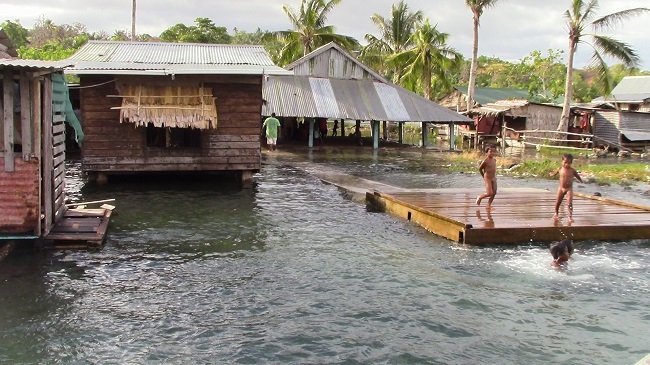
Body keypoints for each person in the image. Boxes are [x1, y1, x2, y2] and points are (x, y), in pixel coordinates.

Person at [550, 154, 583, 221]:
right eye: (565, 163)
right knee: (558, 202)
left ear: (571, 163)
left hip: (569, 189)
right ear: (562, 161)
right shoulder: (560, 169)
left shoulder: (572, 170)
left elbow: (577, 176)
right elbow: (554, 173)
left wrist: (581, 180)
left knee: (569, 203)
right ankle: (556, 213)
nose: (567, 165)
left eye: (569, 163)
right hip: (561, 188)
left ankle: (570, 216)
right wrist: (552, 174)